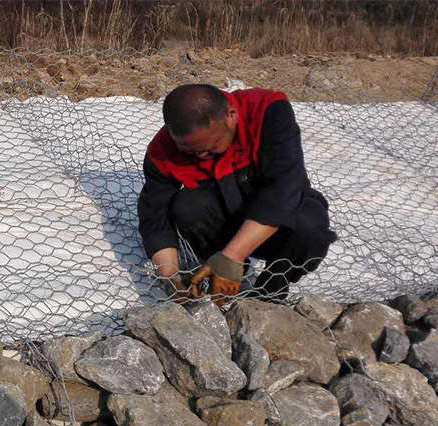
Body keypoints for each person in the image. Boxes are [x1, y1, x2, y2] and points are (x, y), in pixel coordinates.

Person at [137, 84, 337, 305]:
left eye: (210, 146)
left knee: (310, 226)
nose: (201, 156)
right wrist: (171, 279)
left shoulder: (266, 110)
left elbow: (284, 189)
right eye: (190, 152)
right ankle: (223, 273)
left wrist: (231, 257)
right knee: (187, 206)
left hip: (280, 228)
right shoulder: (162, 151)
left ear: (231, 115)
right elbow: (155, 217)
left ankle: (270, 290)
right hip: (227, 224)